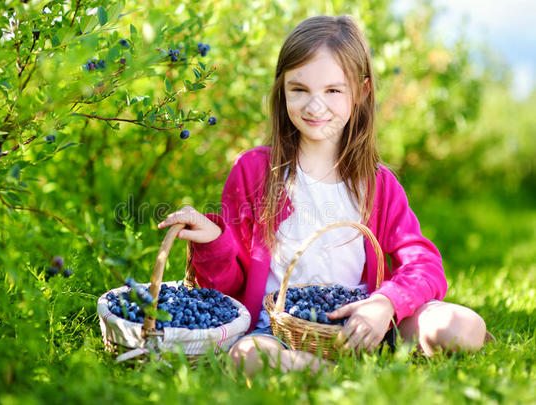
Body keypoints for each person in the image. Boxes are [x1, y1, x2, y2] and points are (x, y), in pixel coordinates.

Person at [157, 15, 487, 374]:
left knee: (464, 326)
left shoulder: (377, 184)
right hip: (279, 327)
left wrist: (385, 304)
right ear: (282, 89)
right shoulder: (255, 172)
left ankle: (329, 364)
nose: (315, 106)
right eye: (299, 90)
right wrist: (213, 241)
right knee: (247, 355)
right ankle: (326, 373)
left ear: (361, 93)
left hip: (365, 324)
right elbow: (226, 288)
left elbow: (424, 263)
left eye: (333, 90)